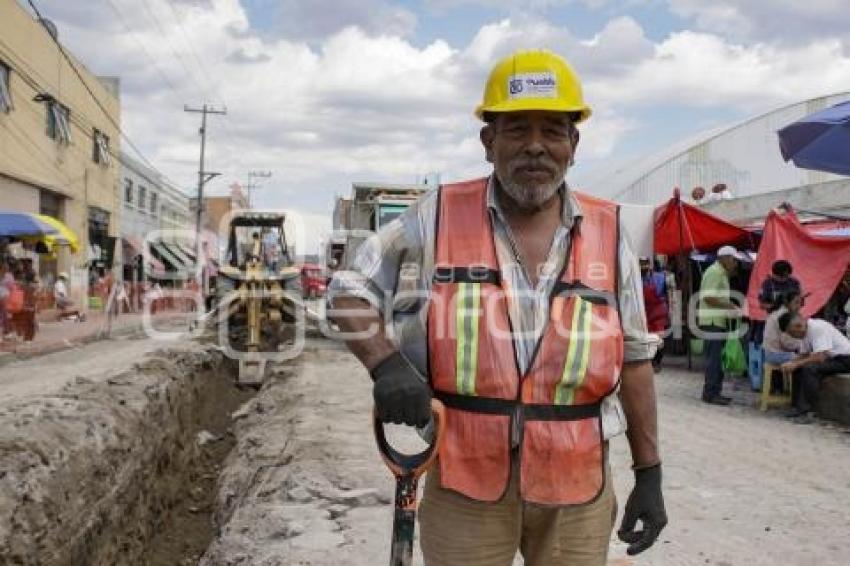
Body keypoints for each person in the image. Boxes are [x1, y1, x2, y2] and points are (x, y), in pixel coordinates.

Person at [328, 49, 666, 565]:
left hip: (577, 483)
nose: (535, 147)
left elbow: (636, 358)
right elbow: (348, 288)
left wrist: (650, 473)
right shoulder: (435, 216)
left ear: (574, 144)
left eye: (553, 130)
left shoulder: (610, 231)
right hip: (465, 476)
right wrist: (385, 363)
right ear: (489, 142)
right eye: (516, 130)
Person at [779, 312, 850, 424]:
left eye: (793, 333)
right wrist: (791, 363)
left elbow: (820, 357)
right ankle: (797, 407)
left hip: (845, 359)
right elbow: (803, 354)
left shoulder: (817, 328)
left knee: (810, 369)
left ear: (799, 326)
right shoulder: (804, 332)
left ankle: (808, 411)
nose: (793, 336)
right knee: (798, 368)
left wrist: (797, 363)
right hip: (832, 359)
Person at [697, 245, 745, 405]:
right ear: (724, 258)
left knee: (718, 358)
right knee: (714, 359)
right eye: (733, 259)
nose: (735, 263)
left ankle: (716, 391)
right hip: (712, 321)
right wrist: (730, 306)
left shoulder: (722, 273)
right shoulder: (715, 272)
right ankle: (710, 393)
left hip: (718, 321)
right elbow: (708, 298)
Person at [641, 257, 668, 371]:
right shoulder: (635, 279)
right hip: (644, 312)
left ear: (649, 264)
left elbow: (666, 294)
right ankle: (649, 360)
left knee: (659, 338)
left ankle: (657, 361)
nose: (643, 267)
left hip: (658, 312)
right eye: (641, 264)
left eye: (645, 264)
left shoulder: (660, 277)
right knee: (646, 337)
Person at [763, 290, 803, 365]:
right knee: (804, 358)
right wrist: (802, 344)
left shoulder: (780, 312)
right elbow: (787, 343)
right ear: (787, 303)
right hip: (775, 355)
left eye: (800, 303)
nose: (799, 306)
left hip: (772, 353)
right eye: (796, 302)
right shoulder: (784, 316)